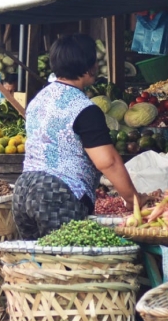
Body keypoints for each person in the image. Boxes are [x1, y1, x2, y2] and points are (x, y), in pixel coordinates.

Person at [12, 34, 148, 239]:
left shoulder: (39, 99)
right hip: (56, 194)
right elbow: (107, 162)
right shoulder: (84, 109)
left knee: (38, 264)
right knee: (66, 265)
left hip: (23, 190)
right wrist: (132, 199)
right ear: (88, 66)